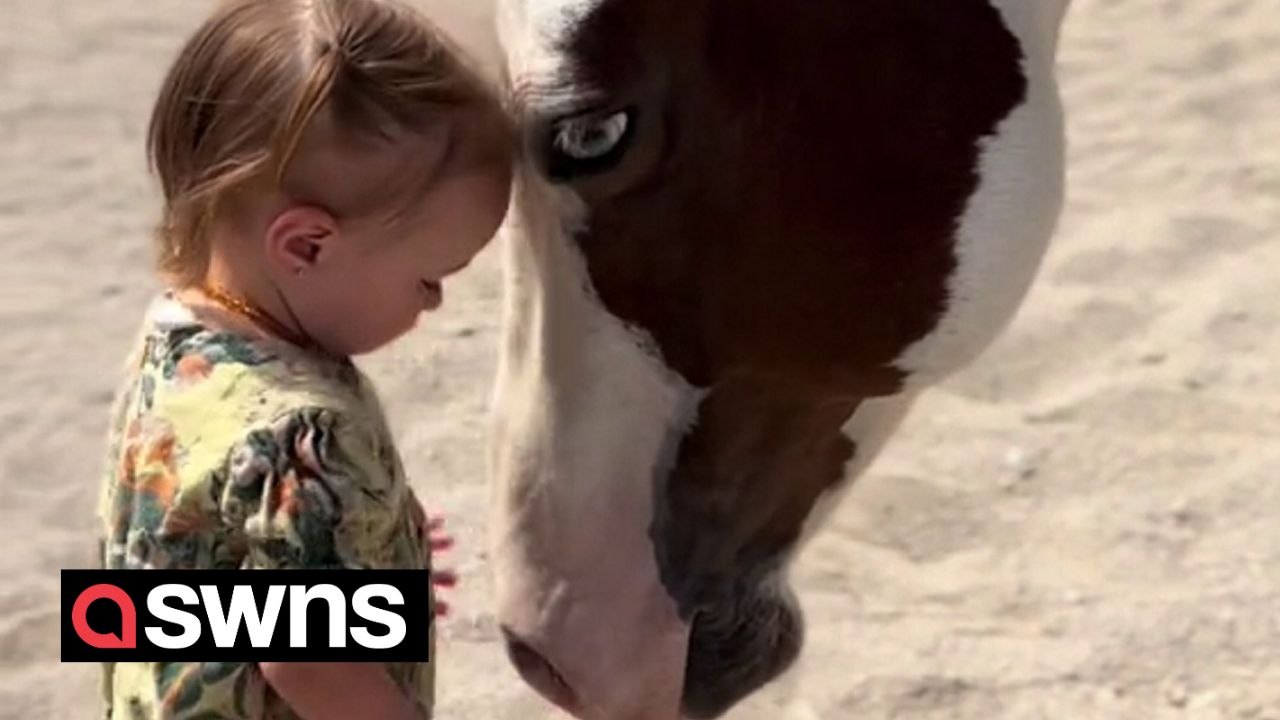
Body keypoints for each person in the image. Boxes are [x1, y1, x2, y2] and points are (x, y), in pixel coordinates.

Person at [95, 0, 514, 717]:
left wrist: (370, 556)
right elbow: (308, 662)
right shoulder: (304, 433)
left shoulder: (175, 349)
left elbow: (125, 598)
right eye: (431, 277)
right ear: (307, 247)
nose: (438, 303)